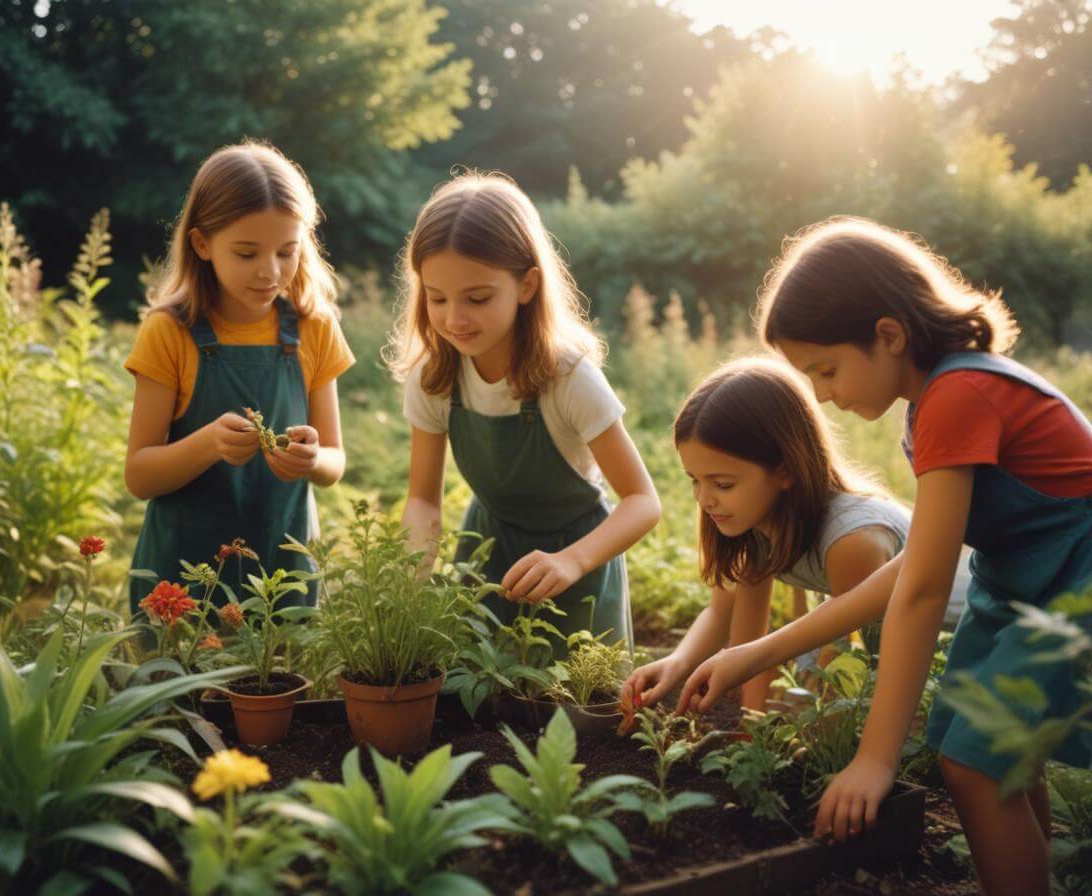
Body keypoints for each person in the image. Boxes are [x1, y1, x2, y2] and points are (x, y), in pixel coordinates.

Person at [695, 217, 1092, 896]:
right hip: (1018, 581)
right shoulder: (931, 401)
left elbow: (924, 588)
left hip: (1073, 579)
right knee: (981, 749)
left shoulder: (958, 395)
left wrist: (875, 760)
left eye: (826, 369)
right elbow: (907, 573)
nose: (822, 394)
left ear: (887, 335)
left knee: (974, 762)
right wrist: (753, 654)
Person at [388, 172, 661, 649]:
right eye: (437, 298)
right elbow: (423, 501)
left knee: (572, 711)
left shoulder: (568, 377)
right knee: (477, 701)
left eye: (477, 298)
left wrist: (572, 561)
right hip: (487, 551)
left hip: (578, 561)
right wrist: (409, 582)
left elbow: (643, 502)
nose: (455, 318)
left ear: (527, 285)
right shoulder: (433, 379)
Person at [124, 141, 354, 612]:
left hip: (283, 582)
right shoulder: (169, 332)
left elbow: (335, 462)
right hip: (183, 585)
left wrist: (311, 459)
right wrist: (208, 444)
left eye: (287, 251)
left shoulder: (314, 328)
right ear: (203, 244)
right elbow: (139, 475)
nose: (270, 272)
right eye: (247, 253)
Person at [621, 358, 916, 712]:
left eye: (723, 483)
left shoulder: (853, 540)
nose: (704, 498)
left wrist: (818, 749)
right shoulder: (755, 522)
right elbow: (734, 629)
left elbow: (842, 659)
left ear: (785, 470)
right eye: (694, 480)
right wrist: (680, 664)